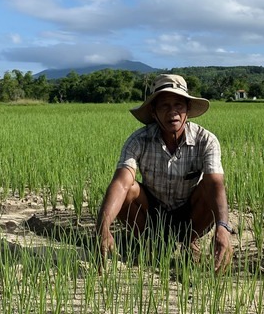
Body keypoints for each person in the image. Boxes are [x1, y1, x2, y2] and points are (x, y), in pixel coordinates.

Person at [96, 74, 233, 272]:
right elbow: (121, 183)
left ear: (187, 109)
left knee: (207, 188)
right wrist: (103, 225)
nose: (173, 113)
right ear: (153, 112)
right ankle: (152, 244)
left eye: (178, 105)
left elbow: (215, 184)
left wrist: (223, 227)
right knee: (130, 190)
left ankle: (189, 242)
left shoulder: (206, 140)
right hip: (152, 212)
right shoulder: (138, 140)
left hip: (189, 214)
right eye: (164, 106)